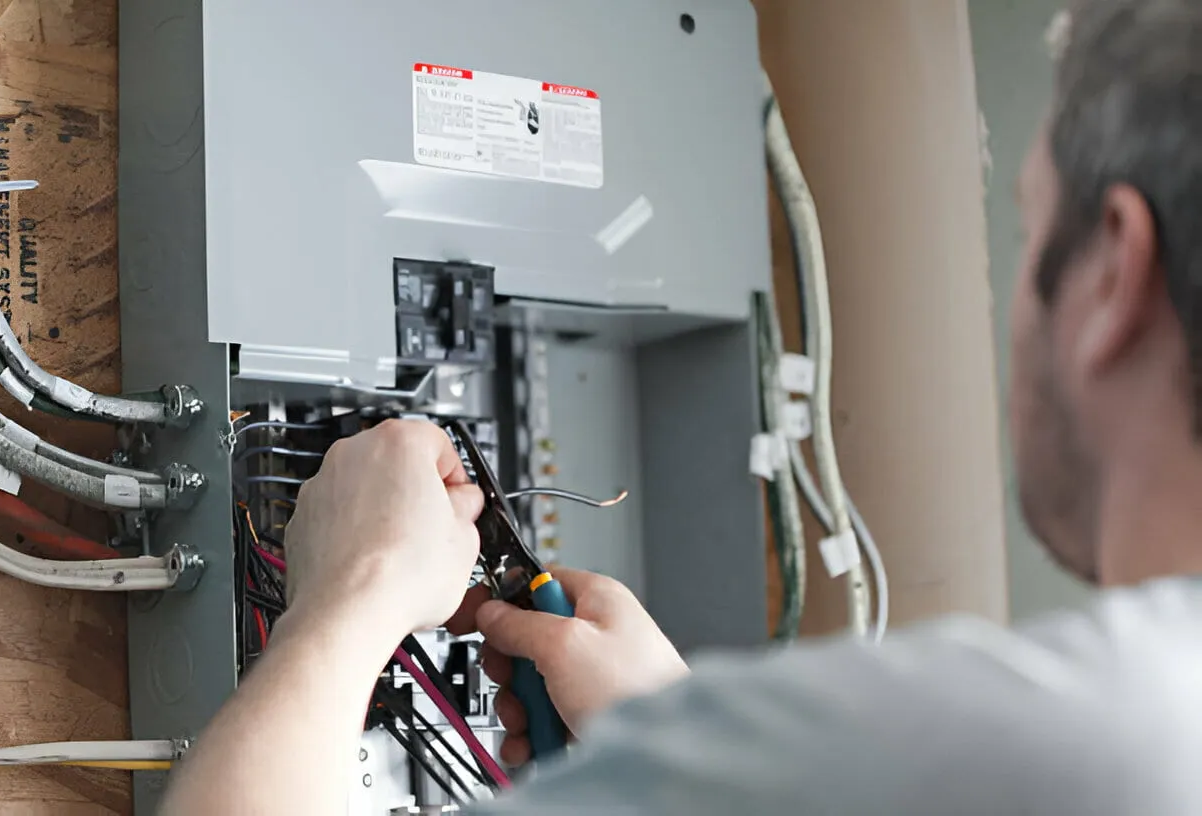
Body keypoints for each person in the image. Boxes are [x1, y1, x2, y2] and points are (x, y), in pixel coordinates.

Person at [161, 0, 1202, 812]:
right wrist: (676, 740)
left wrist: (351, 599)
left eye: (1027, 235)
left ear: (1114, 271)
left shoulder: (1049, 746)